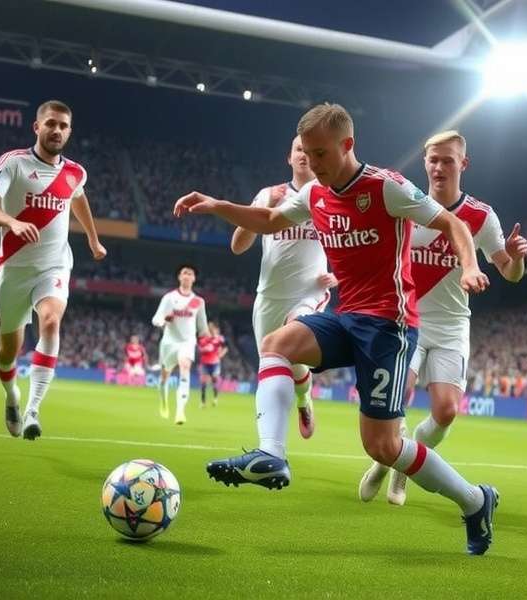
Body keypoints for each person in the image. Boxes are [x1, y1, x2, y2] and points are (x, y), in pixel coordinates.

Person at [174, 103, 499, 555]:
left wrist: (467, 266)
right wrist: (216, 206)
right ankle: (272, 454)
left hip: (390, 326)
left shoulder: (386, 187)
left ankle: (474, 500)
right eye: (307, 153)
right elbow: (268, 220)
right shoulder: (314, 195)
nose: (313, 164)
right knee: (276, 344)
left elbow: (451, 222)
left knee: (383, 447)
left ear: (347, 146)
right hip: (348, 316)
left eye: (321, 154)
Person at [359, 130, 527, 505]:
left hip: (452, 326)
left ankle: (402, 464)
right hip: (407, 321)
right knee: (396, 396)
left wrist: (516, 258)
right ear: (425, 163)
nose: (439, 167)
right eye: (433, 160)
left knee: (447, 411)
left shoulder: (481, 216)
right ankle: (386, 460)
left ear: (463, 164)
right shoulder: (407, 204)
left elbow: (508, 272)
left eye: (447, 160)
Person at [0, 99, 107, 440]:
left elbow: (78, 197)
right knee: (8, 351)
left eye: (63, 126)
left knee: (51, 320)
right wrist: (10, 222)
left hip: (54, 264)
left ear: (70, 131)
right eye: (51, 123)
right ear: (37, 127)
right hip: (14, 269)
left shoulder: (76, 172)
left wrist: (93, 239)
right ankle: (12, 395)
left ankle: (33, 409)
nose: (57, 130)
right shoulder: (13, 163)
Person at [231, 135, 336, 438]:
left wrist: (336, 276)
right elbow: (237, 246)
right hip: (269, 296)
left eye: (311, 151)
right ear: (289, 158)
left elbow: (349, 246)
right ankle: (304, 399)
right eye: (298, 150)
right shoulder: (269, 194)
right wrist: (260, 215)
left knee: (294, 337)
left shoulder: (329, 197)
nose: (304, 155)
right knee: (277, 362)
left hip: (309, 292)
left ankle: (276, 441)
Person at [151, 265, 209, 424]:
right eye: (184, 273)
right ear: (179, 277)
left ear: (194, 278)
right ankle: (163, 402)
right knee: (165, 377)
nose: (187, 276)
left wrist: (208, 340)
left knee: (185, 367)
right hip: (169, 342)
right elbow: (156, 319)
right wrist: (164, 320)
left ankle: (180, 411)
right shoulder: (169, 297)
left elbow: (203, 327)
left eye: (190, 273)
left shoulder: (198, 301)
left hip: (187, 342)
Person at [197, 321, 228, 407]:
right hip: (204, 363)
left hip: (214, 363)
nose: (210, 329)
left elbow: (225, 347)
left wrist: (221, 354)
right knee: (203, 382)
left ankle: (215, 398)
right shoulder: (203, 339)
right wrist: (204, 349)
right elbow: (199, 349)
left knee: (214, 380)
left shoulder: (219, 339)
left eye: (211, 328)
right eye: (209, 328)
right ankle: (203, 402)